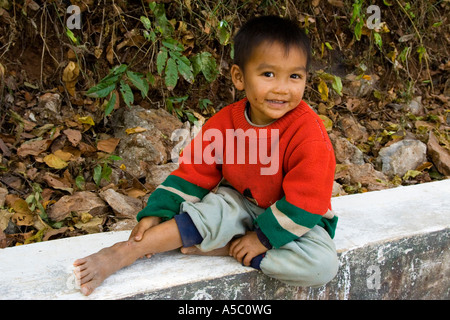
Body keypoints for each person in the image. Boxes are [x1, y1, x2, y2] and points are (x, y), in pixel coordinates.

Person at [73, 15, 339, 296]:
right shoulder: (224, 124)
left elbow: (307, 201)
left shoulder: (308, 133)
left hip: (294, 215)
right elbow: (193, 175)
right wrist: (156, 212)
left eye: (294, 76)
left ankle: (228, 248)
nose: (282, 88)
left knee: (321, 266)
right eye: (268, 74)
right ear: (239, 77)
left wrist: (261, 240)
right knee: (210, 210)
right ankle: (126, 251)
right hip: (239, 204)